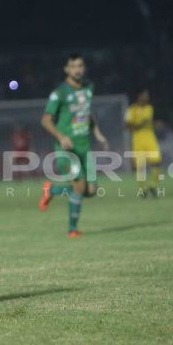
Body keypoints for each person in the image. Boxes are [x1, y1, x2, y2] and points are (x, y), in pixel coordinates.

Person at [39, 53, 109, 237]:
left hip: (84, 147)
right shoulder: (59, 93)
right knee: (79, 186)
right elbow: (46, 120)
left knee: (91, 191)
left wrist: (97, 132)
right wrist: (61, 136)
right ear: (66, 69)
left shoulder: (88, 87)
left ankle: (52, 189)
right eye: (73, 66)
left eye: (80, 66)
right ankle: (72, 229)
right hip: (66, 149)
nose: (77, 69)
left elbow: (87, 111)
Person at [124, 89, 162, 197]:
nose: (147, 98)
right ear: (139, 96)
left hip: (150, 137)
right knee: (140, 165)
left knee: (157, 161)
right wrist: (140, 124)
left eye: (147, 96)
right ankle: (142, 189)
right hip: (138, 139)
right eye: (145, 96)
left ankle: (153, 186)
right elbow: (127, 125)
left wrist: (155, 124)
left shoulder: (150, 108)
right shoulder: (131, 110)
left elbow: (149, 122)